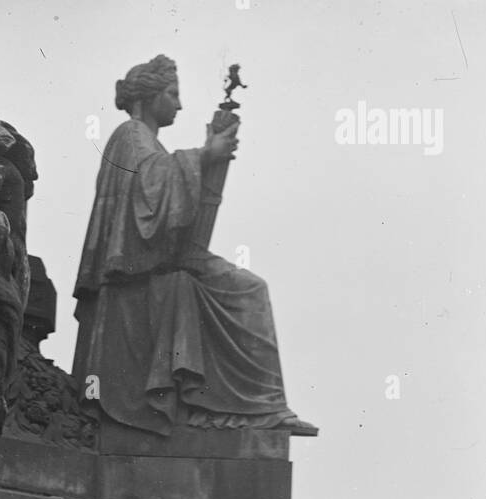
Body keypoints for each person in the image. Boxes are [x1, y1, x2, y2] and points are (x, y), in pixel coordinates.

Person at [72, 54, 316, 437]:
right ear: (148, 96)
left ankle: (259, 408)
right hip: (136, 282)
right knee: (250, 291)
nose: (180, 104)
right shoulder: (130, 134)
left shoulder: (147, 142)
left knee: (251, 288)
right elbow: (145, 198)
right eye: (172, 93)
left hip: (157, 267)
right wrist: (205, 156)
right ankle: (238, 408)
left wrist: (208, 160)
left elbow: (164, 209)